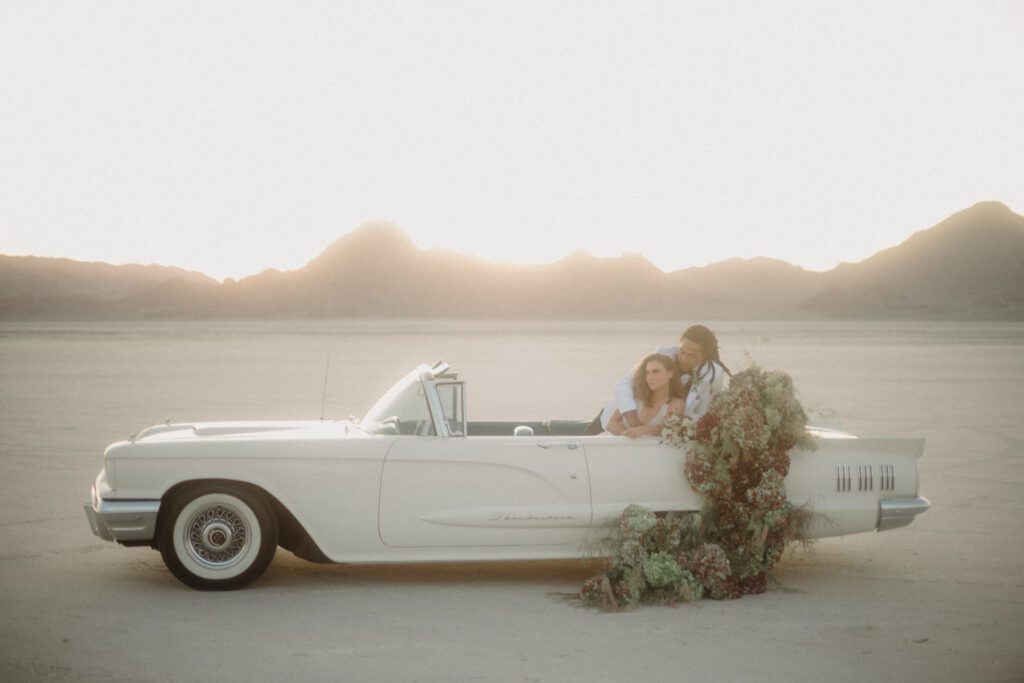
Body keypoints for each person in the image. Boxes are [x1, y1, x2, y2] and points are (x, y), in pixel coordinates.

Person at [585, 324, 731, 435]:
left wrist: (659, 428)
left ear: (705, 355)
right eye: (682, 351)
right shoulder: (662, 356)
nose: (684, 359)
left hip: (658, 431)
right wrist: (632, 420)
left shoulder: (713, 375)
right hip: (619, 416)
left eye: (692, 355)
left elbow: (702, 414)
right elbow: (622, 385)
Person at [603, 353, 686, 438]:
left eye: (656, 371)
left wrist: (644, 430)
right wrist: (626, 434)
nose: (650, 377)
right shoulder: (636, 397)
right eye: (647, 373)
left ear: (670, 373)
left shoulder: (676, 403)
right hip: (625, 448)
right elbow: (611, 424)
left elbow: (668, 429)